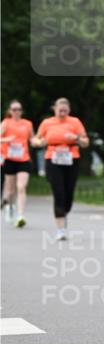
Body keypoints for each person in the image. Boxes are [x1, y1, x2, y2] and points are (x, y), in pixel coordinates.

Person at [33, 98, 89, 241]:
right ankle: (61, 229)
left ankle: (63, 213)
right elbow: (35, 140)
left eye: (65, 110)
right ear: (55, 108)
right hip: (52, 158)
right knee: (59, 193)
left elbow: (85, 142)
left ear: (69, 110)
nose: (62, 112)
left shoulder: (75, 122)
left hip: (71, 158)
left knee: (68, 194)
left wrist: (76, 138)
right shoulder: (47, 123)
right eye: (60, 109)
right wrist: (41, 142)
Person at [1, 100, 34, 227]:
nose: (16, 112)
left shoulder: (27, 124)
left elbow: (32, 139)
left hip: (24, 159)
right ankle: (9, 207)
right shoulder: (6, 123)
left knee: (21, 187)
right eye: (14, 109)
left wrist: (38, 141)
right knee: (9, 190)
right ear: (10, 111)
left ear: (21, 111)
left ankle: (20, 215)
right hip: (9, 159)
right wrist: (5, 139)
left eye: (19, 109)